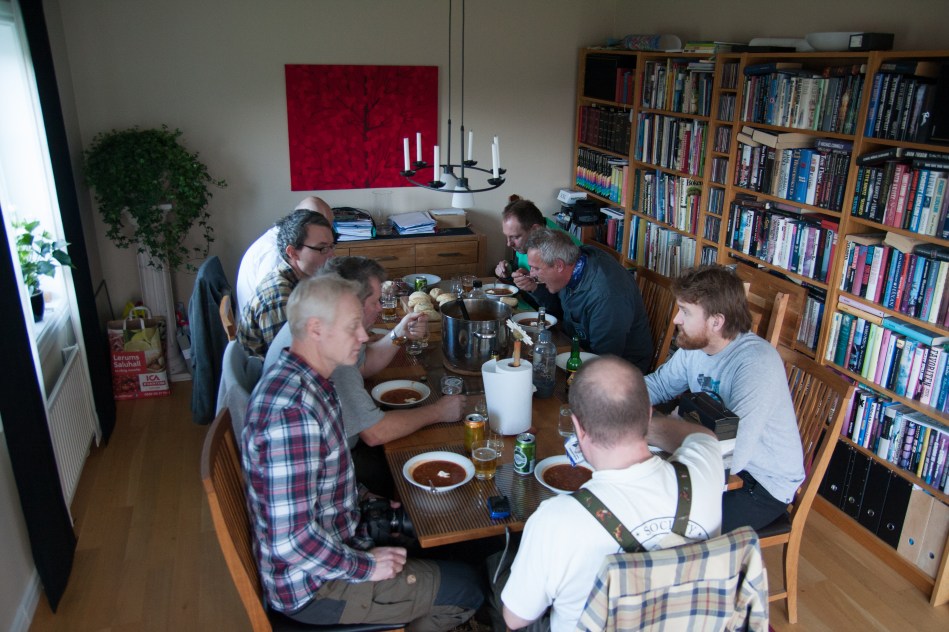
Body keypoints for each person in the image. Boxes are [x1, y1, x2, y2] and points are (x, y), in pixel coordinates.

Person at [242, 274, 483, 629]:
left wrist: (364, 496)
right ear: (316, 329)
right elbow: (291, 541)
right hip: (315, 588)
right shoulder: (292, 415)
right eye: (352, 326)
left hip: (339, 536)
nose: (363, 336)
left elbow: (319, 477)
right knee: (466, 589)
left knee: (454, 540)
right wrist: (367, 566)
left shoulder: (309, 380)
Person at [497, 356, 723, 632]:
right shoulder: (704, 468)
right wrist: (634, 422)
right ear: (648, 414)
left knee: (494, 569)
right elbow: (703, 436)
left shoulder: (554, 520)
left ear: (579, 428)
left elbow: (516, 618)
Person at [263, 256, 468, 495]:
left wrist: (398, 333)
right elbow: (374, 432)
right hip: (351, 459)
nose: (363, 337)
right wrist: (439, 411)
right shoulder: (317, 378)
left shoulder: (319, 337)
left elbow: (363, 366)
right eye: (375, 302)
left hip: (337, 467)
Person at [644, 264, 804, 532]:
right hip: (712, 458)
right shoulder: (697, 345)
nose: (676, 320)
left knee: (663, 525)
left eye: (685, 312)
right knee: (641, 498)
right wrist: (616, 402)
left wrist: (654, 429)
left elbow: (732, 457)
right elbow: (660, 385)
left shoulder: (756, 364)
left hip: (759, 483)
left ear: (716, 322)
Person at [523, 227, 653, 373]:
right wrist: (535, 288)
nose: (531, 274)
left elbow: (604, 359)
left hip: (621, 370)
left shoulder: (607, 297)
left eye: (536, 268)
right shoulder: (574, 263)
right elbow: (559, 311)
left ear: (559, 265)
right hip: (578, 349)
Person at [237, 208, 335, 357]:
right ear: (292, 252)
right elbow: (291, 358)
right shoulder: (278, 296)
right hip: (270, 369)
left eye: (331, 246)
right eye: (322, 248)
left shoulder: (302, 279)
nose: (331, 255)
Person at [236, 196, 334, 311]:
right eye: (322, 247)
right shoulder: (273, 255)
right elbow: (274, 305)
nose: (332, 255)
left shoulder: (288, 243)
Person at [492, 195, 560, 315]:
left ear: (535, 230)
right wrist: (508, 272)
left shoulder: (560, 250)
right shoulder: (527, 241)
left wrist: (535, 288)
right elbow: (520, 270)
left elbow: (561, 309)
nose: (509, 244)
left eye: (515, 237)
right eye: (507, 236)